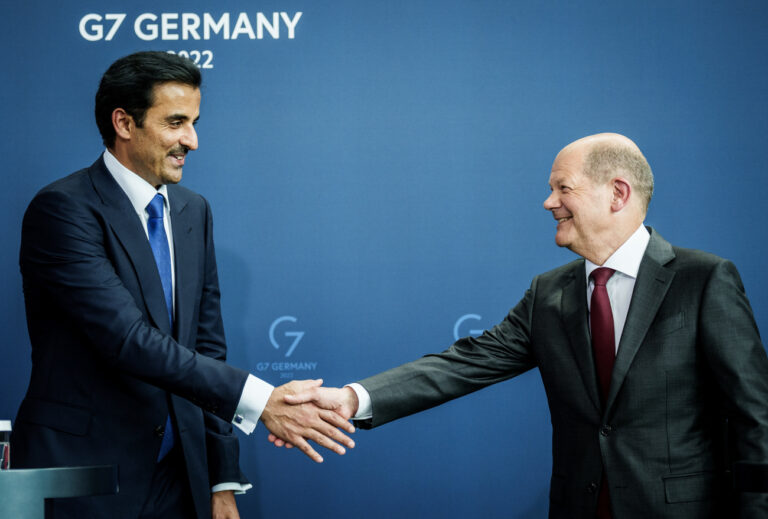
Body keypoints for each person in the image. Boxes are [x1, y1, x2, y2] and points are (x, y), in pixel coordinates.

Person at [276, 133, 768, 518]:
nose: (548, 202)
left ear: (618, 193)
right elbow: (466, 362)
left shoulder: (702, 280)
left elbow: (755, 418)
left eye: (562, 188)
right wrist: (353, 398)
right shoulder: (548, 293)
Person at [11, 51, 354, 519]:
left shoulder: (193, 210)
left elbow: (206, 347)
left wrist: (221, 479)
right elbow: (128, 340)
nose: (191, 140)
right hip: (85, 475)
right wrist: (261, 401)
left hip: (180, 480)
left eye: (193, 122)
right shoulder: (63, 209)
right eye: (175, 123)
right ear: (124, 123)